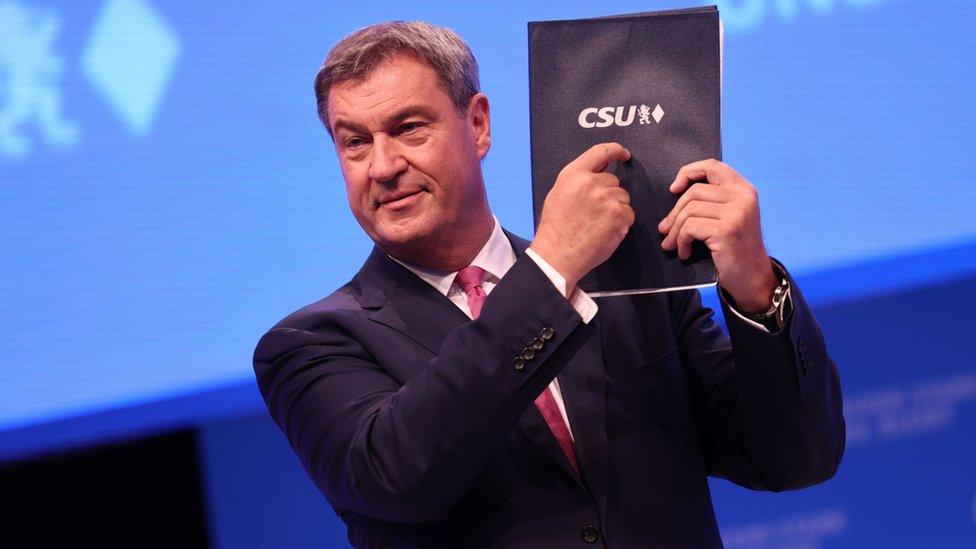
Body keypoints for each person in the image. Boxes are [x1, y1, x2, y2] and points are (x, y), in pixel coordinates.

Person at [252, 21, 844, 548]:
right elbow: (397, 479)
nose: (381, 166)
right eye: (355, 141)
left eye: (408, 129)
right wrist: (552, 268)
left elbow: (797, 459)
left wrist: (754, 288)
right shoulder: (310, 344)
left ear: (477, 125)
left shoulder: (627, 285)